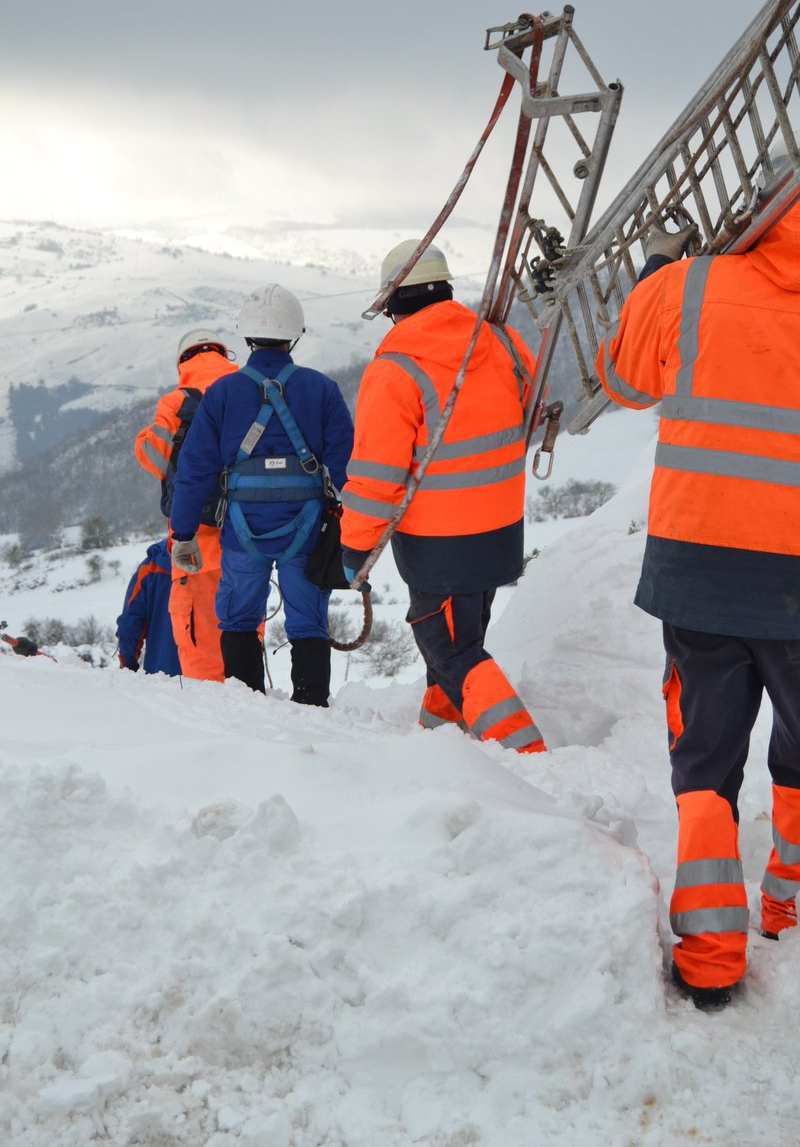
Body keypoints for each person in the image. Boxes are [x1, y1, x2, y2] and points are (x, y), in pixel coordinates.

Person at [595, 168, 800, 1008]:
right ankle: (784, 906)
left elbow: (624, 381)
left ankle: (713, 956)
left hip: (703, 567)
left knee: (707, 759)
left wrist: (655, 278)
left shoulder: (690, 284)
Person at [341, 239, 545, 753]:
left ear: (392, 304)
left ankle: (527, 754)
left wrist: (354, 549)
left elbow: (375, 477)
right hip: (499, 530)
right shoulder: (498, 341)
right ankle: (441, 739)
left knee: (450, 649)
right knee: (460, 639)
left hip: (440, 543)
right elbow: (530, 410)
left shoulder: (396, 368)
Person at [168, 283, 354, 706]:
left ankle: (246, 704)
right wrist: (362, 528)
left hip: (242, 527)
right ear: (296, 334)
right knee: (308, 620)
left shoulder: (221, 394)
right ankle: (311, 705)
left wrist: (182, 533)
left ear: (246, 335)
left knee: (237, 616)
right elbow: (348, 469)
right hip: (306, 527)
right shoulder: (320, 389)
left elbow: (194, 471)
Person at [134, 329, 237, 681]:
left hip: (194, 546)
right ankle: (254, 714)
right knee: (242, 641)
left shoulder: (177, 401)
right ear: (224, 355)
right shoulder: (251, 389)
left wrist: (145, 437)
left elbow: (153, 455)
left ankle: (215, 723)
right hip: (249, 543)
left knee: (200, 650)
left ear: (183, 362)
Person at [116, 538, 181, 676]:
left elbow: (130, 622)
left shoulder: (151, 566)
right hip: (221, 681)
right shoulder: (228, 557)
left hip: (163, 675)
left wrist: (128, 664)